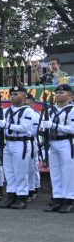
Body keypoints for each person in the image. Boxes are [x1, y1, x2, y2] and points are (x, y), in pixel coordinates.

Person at [0, 85, 38, 210]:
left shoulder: (28, 111)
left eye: (16, 94)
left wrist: (7, 125)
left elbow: (25, 128)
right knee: (9, 171)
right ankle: (11, 194)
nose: (13, 97)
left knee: (20, 171)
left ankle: (22, 197)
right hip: (8, 142)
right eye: (12, 95)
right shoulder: (7, 110)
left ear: (24, 96)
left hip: (21, 143)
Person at [41, 83, 74, 213]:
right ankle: (57, 198)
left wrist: (53, 126)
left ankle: (69, 199)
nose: (59, 95)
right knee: (55, 172)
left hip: (67, 142)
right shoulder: (52, 110)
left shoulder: (72, 110)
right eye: (57, 93)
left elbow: (72, 129)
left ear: (71, 96)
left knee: (68, 172)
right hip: (53, 142)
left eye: (62, 93)